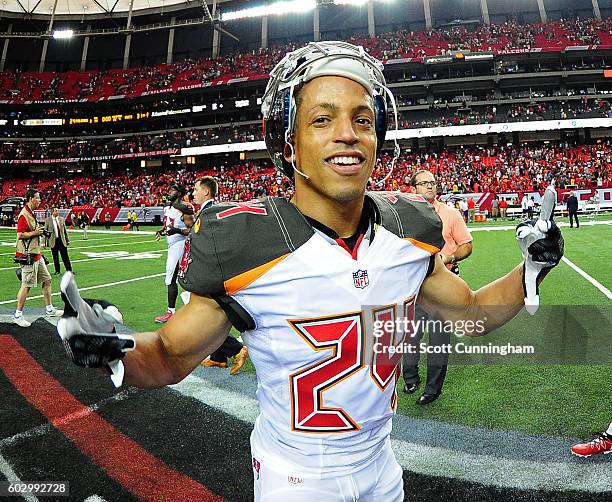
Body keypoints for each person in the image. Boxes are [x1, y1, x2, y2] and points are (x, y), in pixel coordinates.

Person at [56, 42, 563, 501]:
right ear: (289, 143)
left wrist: (530, 270)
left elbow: (467, 313)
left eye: (363, 120)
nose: (347, 134)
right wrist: (112, 349)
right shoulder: (244, 242)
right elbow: (168, 357)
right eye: (322, 120)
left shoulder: (409, 228)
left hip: (382, 464)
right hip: (296, 476)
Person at [402, 170, 473, 405]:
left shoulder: (451, 214)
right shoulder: (405, 215)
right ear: (413, 188)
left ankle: (432, 389)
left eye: (432, 183)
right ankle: (410, 378)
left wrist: (448, 258)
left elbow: (466, 246)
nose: (430, 187)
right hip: (414, 286)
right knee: (410, 336)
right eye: (424, 183)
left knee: (438, 339)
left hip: (442, 286)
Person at [191, 176, 249, 375]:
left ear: (206, 191)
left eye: (196, 189)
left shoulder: (207, 213)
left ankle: (236, 349)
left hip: (212, 275)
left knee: (203, 319)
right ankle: (218, 358)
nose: (193, 193)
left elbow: (208, 248)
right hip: (220, 273)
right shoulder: (212, 210)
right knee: (213, 317)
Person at [14, 189, 63, 327]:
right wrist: (35, 232)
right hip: (28, 255)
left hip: (36, 254)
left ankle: (49, 309)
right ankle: (18, 315)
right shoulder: (24, 214)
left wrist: (38, 231)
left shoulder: (31, 213)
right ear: (30, 198)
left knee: (47, 280)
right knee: (26, 285)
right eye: (37, 198)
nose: (40, 201)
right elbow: (20, 235)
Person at [154, 183, 195, 323]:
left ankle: (171, 311)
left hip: (180, 244)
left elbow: (192, 230)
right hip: (172, 245)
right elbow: (169, 225)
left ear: (179, 193)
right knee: (178, 277)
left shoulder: (185, 208)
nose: (169, 192)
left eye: (172, 190)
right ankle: (189, 307)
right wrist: (162, 231)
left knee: (171, 277)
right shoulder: (168, 208)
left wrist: (176, 231)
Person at [44, 207, 72, 275]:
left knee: (65, 256)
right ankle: (57, 270)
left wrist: (67, 240)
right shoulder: (48, 220)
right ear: (52, 212)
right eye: (56, 211)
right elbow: (45, 232)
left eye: (57, 211)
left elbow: (65, 231)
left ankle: (69, 270)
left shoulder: (61, 219)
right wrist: (44, 243)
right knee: (55, 257)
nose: (57, 212)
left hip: (61, 240)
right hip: (53, 241)